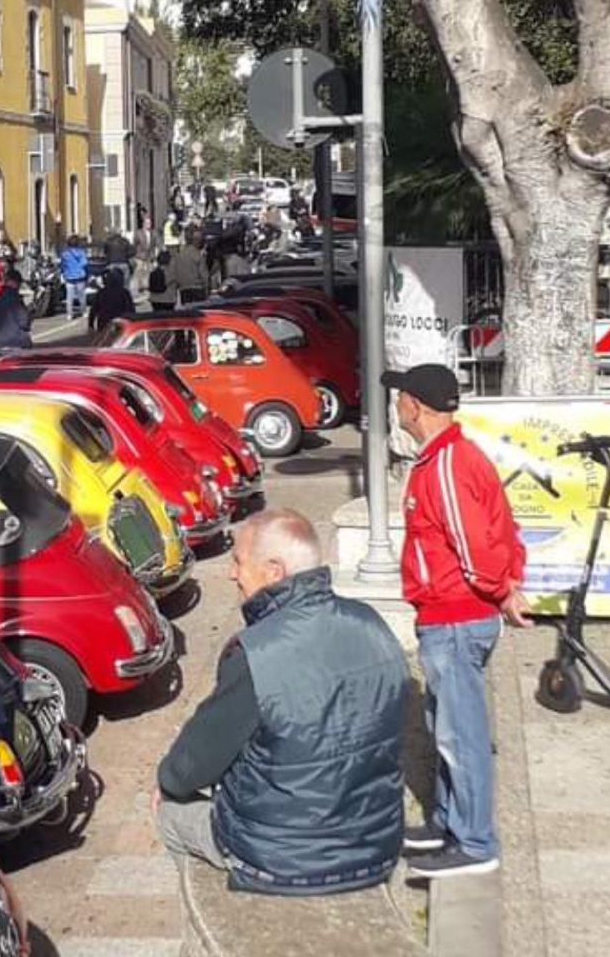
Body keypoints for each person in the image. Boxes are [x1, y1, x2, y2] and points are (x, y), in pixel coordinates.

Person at [154, 509, 408, 896]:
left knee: (169, 812)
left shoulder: (256, 653)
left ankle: (222, 916)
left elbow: (189, 767)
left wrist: (168, 782)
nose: (231, 574)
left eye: (238, 561)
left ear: (274, 571)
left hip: (282, 862)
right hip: (376, 847)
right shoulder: (372, 624)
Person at [386, 364, 530, 879]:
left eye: (399, 398)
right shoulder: (454, 458)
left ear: (415, 407)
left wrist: (499, 586)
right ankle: (447, 823)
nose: (396, 405)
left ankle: (473, 842)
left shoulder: (446, 464)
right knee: (443, 725)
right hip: (456, 615)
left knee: (459, 735)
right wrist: (508, 586)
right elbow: (503, 527)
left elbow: (474, 544)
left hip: (454, 617)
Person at [0, 273, 33, 350]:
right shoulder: (16, 299)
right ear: (15, 283)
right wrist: (29, 313)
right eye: (19, 283)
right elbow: (24, 323)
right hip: (16, 341)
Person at [169, 239, 212, 305]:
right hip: (197, 288)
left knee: (188, 313)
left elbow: (174, 273)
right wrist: (207, 289)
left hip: (184, 289)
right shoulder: (198, 254)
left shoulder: (178, 256)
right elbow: (204, 274)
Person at [58, 236, 91, 317]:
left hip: (69, 276)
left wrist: (63, 273)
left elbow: (62, 265)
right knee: (81, 296)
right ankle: (84, 312)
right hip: (80, 276)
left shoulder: (65, 254)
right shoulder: (81, 253)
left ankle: (69, 314)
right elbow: (85, 263)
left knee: (69, 296)